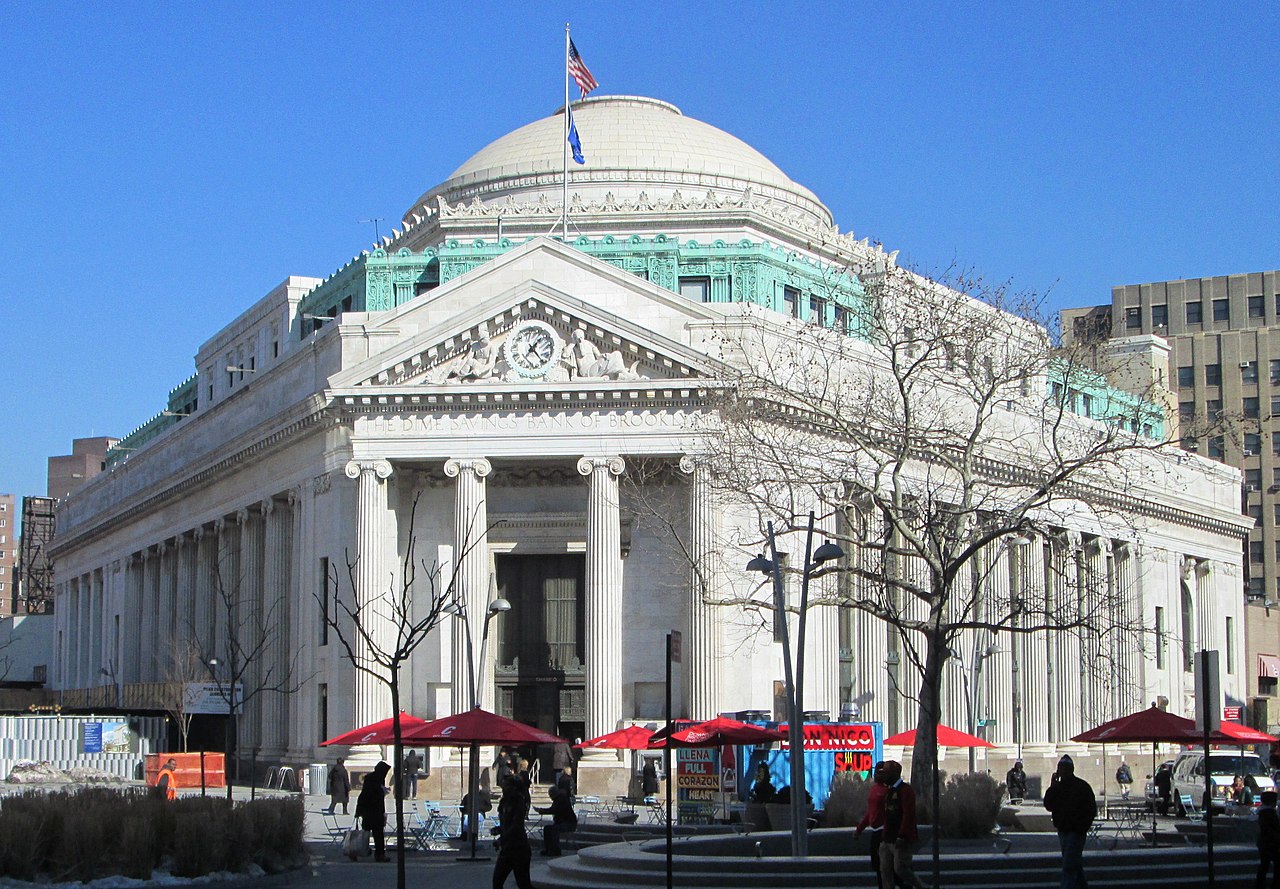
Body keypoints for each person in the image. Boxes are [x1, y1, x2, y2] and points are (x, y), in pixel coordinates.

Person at [1043, 754, 1097, 889]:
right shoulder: (1058, 787)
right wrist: (1052, 787)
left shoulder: (1082, 787)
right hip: (1063, 830)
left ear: (1071, 770)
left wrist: (1082, 827)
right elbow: (1048, 805)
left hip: (1076, 832)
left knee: (1069, 866)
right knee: (1074, 864)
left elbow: (1090, 809)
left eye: (1064, 769)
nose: (1062, 771)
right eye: (1060, 769)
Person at [878, 760, 926, 889]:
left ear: (894, 774)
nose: (884, 777)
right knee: (885, 870)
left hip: (900, 839)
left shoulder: (905, 790)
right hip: (887, 838)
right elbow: (887, 815)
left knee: (901, 869)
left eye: (887, 774)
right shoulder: (889, 791)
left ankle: (920, 887)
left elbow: (908, 814)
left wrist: (902, 835)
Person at [492, 771, 534, 889]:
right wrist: (499, 829)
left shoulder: (519, 802)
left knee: (523, 884)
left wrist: (501, 839)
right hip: (507, 848)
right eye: (503, 785)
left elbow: (516, 826)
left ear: (514, 787)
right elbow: (507, 824)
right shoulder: (504, 802)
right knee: (497, 882)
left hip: (519, 849)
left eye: (506, 786)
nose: (503, 788)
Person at [854, 762, 889, 889]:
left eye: (881, 772)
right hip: (876, 831)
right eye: (877, 772)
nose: (877, 775)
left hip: (885, 831)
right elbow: (870, 812)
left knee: (886, 865)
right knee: (876, 864)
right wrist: (859, 829)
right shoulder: (874, 790)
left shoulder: (889, 791)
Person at [354, 761, 391, 863]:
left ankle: (357, 852)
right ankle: (379, 855)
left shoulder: (374, 778)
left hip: (370, 811)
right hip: (374, 811)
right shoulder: (375, 779)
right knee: (377, 835)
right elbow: (367, 794)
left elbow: (364, 795)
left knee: (365, 833)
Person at [537, 782, 578, 856]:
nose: (550, 797)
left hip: (569, 823)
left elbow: (555, 810)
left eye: (550, 795)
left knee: (553, 830)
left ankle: (555, 850)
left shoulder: (561, 799)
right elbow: (553, 809)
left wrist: (542, 811)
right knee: (547, 829)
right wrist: (542, 810)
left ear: (554, 794)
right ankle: (548, 849)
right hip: (563, 822)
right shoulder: (558, 799)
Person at [1258, 790, 1279, 889]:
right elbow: (1272, 829)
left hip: (1264, 843)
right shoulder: (1270, 813)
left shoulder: (1262, 813)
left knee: (1264, 865)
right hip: (1271, 843)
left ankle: (1260, 885)